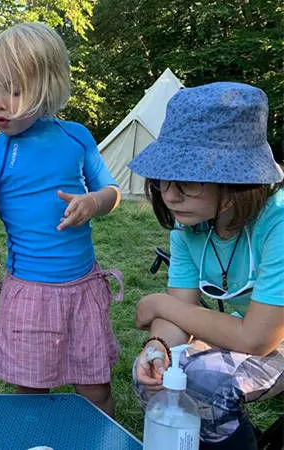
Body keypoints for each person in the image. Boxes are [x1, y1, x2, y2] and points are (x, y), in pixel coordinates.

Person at [0, 22, 122, 416]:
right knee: (32, 394)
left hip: (84, 287)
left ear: (47, 87)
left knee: (96, 390)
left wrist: (93, 202)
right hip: (31, 296)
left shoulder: (77, 137)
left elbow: (112, 192)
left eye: (13, 91)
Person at [127, 82, 284, 450]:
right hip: (261, 333)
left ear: (236, 182)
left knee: (205, 383)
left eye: (189, 181)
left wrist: (161, 306)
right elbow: (180, 312)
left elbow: (258, 339)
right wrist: (158, 347)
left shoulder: (279, 220)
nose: (169, 194)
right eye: (164, 178)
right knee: (160, 378)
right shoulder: (190, 223)